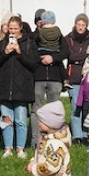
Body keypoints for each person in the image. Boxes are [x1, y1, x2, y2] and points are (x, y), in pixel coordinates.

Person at [0, 15, 36, 158]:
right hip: (4, 87)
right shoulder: (1, 43)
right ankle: (8, 148)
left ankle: (20, 149)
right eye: (10, 28)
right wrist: (5, 53)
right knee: (6, 120)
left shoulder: (29, 43)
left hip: (22, 89)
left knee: (21, 120)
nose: (12, 31)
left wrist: (19, 53)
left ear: (21, 28)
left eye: (15, 29)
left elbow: (33, 64)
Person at [31, 11, 66, 141]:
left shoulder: (58, 36)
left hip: (54, 75)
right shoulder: (36, 35)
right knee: (36, 109)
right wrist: (41, 59)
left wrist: (52, 58)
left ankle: (54, 138)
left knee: (54, 111)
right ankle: (36, 140)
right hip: (39, 76)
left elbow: (65, 51)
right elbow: (31, 51)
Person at [65, 14, 89, 140]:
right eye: (78, 24)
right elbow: (69, 56)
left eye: (83, 25)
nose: (80, 27)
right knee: (75, 107)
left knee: (87, 108)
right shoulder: (68, 38)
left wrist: (77, 57)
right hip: (74, 78)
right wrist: (82, 57)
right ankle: (77, 136)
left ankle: (85, 134)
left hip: (88, 77)